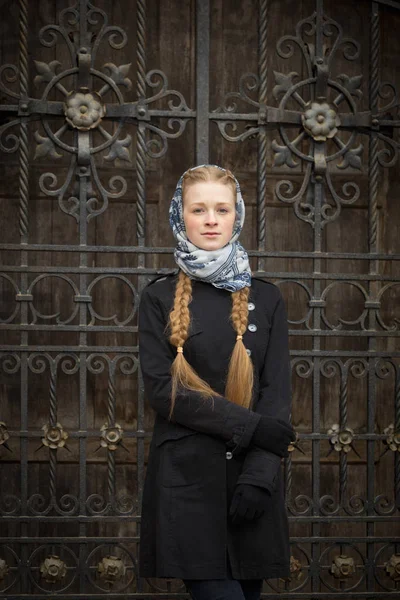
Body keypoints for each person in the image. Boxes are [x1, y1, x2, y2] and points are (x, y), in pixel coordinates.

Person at [138, 164, 295, 600]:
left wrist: (261, 476)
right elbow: (163, 390)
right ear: (179, 216)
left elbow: (275, 392)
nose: (210, 219)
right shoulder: (157, 298)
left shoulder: (267, 297)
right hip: (188, 487)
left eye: (221, 209)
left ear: (236, 216)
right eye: (198, 209)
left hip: (252, 484)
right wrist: (249, 428)